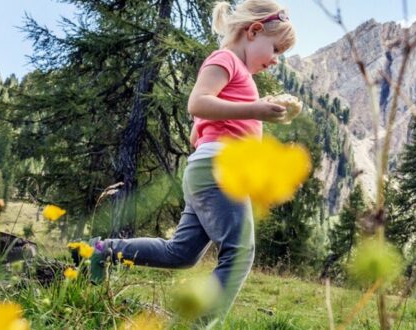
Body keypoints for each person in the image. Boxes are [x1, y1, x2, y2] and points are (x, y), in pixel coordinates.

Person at [87, 0, 296, 322]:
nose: (275, 61)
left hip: (210, 168)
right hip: (217, 169)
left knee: (181, 253)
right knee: (240, 253)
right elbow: (198, 103)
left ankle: (100, 250)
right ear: (254, 31)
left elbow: (198, 133)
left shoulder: (240, 74)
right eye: (276, 50)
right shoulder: (225, 59)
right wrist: (254, 110)